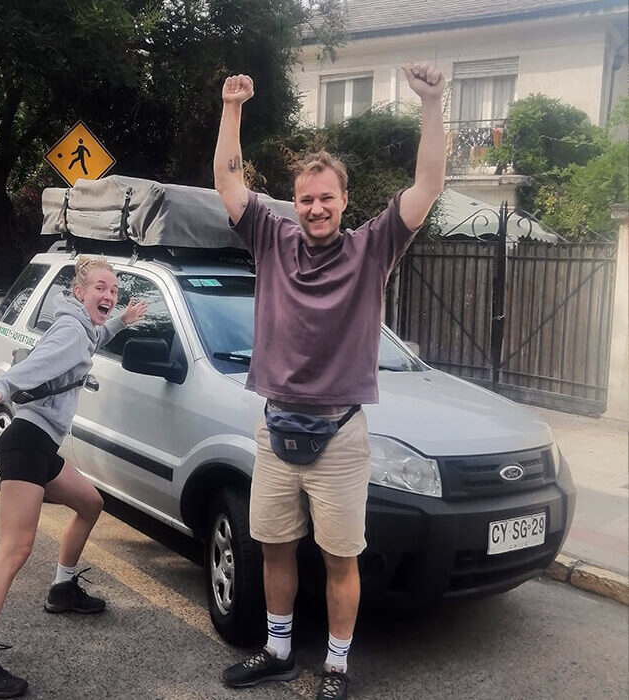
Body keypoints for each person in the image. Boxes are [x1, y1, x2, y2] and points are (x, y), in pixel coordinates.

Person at [213, 63, 445, 700]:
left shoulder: (373, 249)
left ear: (344, 201)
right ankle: (279, 650)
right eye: (306, 198)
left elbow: (428, 182)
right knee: (275, 547)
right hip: (275, 425)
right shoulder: (270, 238)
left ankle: (336, 666)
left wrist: (431, 104)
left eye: (327, 198)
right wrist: (233, 108)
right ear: (297, 202)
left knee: (342, 558)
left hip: (340, 435)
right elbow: (229, 182)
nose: (316, 208)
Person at [0, 255, 147, 698]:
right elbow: (37, 364)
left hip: (41, 447)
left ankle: (63, 589)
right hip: (24, 445)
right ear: (79, 292)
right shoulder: (68, 331)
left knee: (90, 503)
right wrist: (0, 387)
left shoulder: (83, 328)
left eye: (113, 290)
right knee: (15, 548)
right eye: (101, 287)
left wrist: (122, 319)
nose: (109, 295)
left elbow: (96, 336)